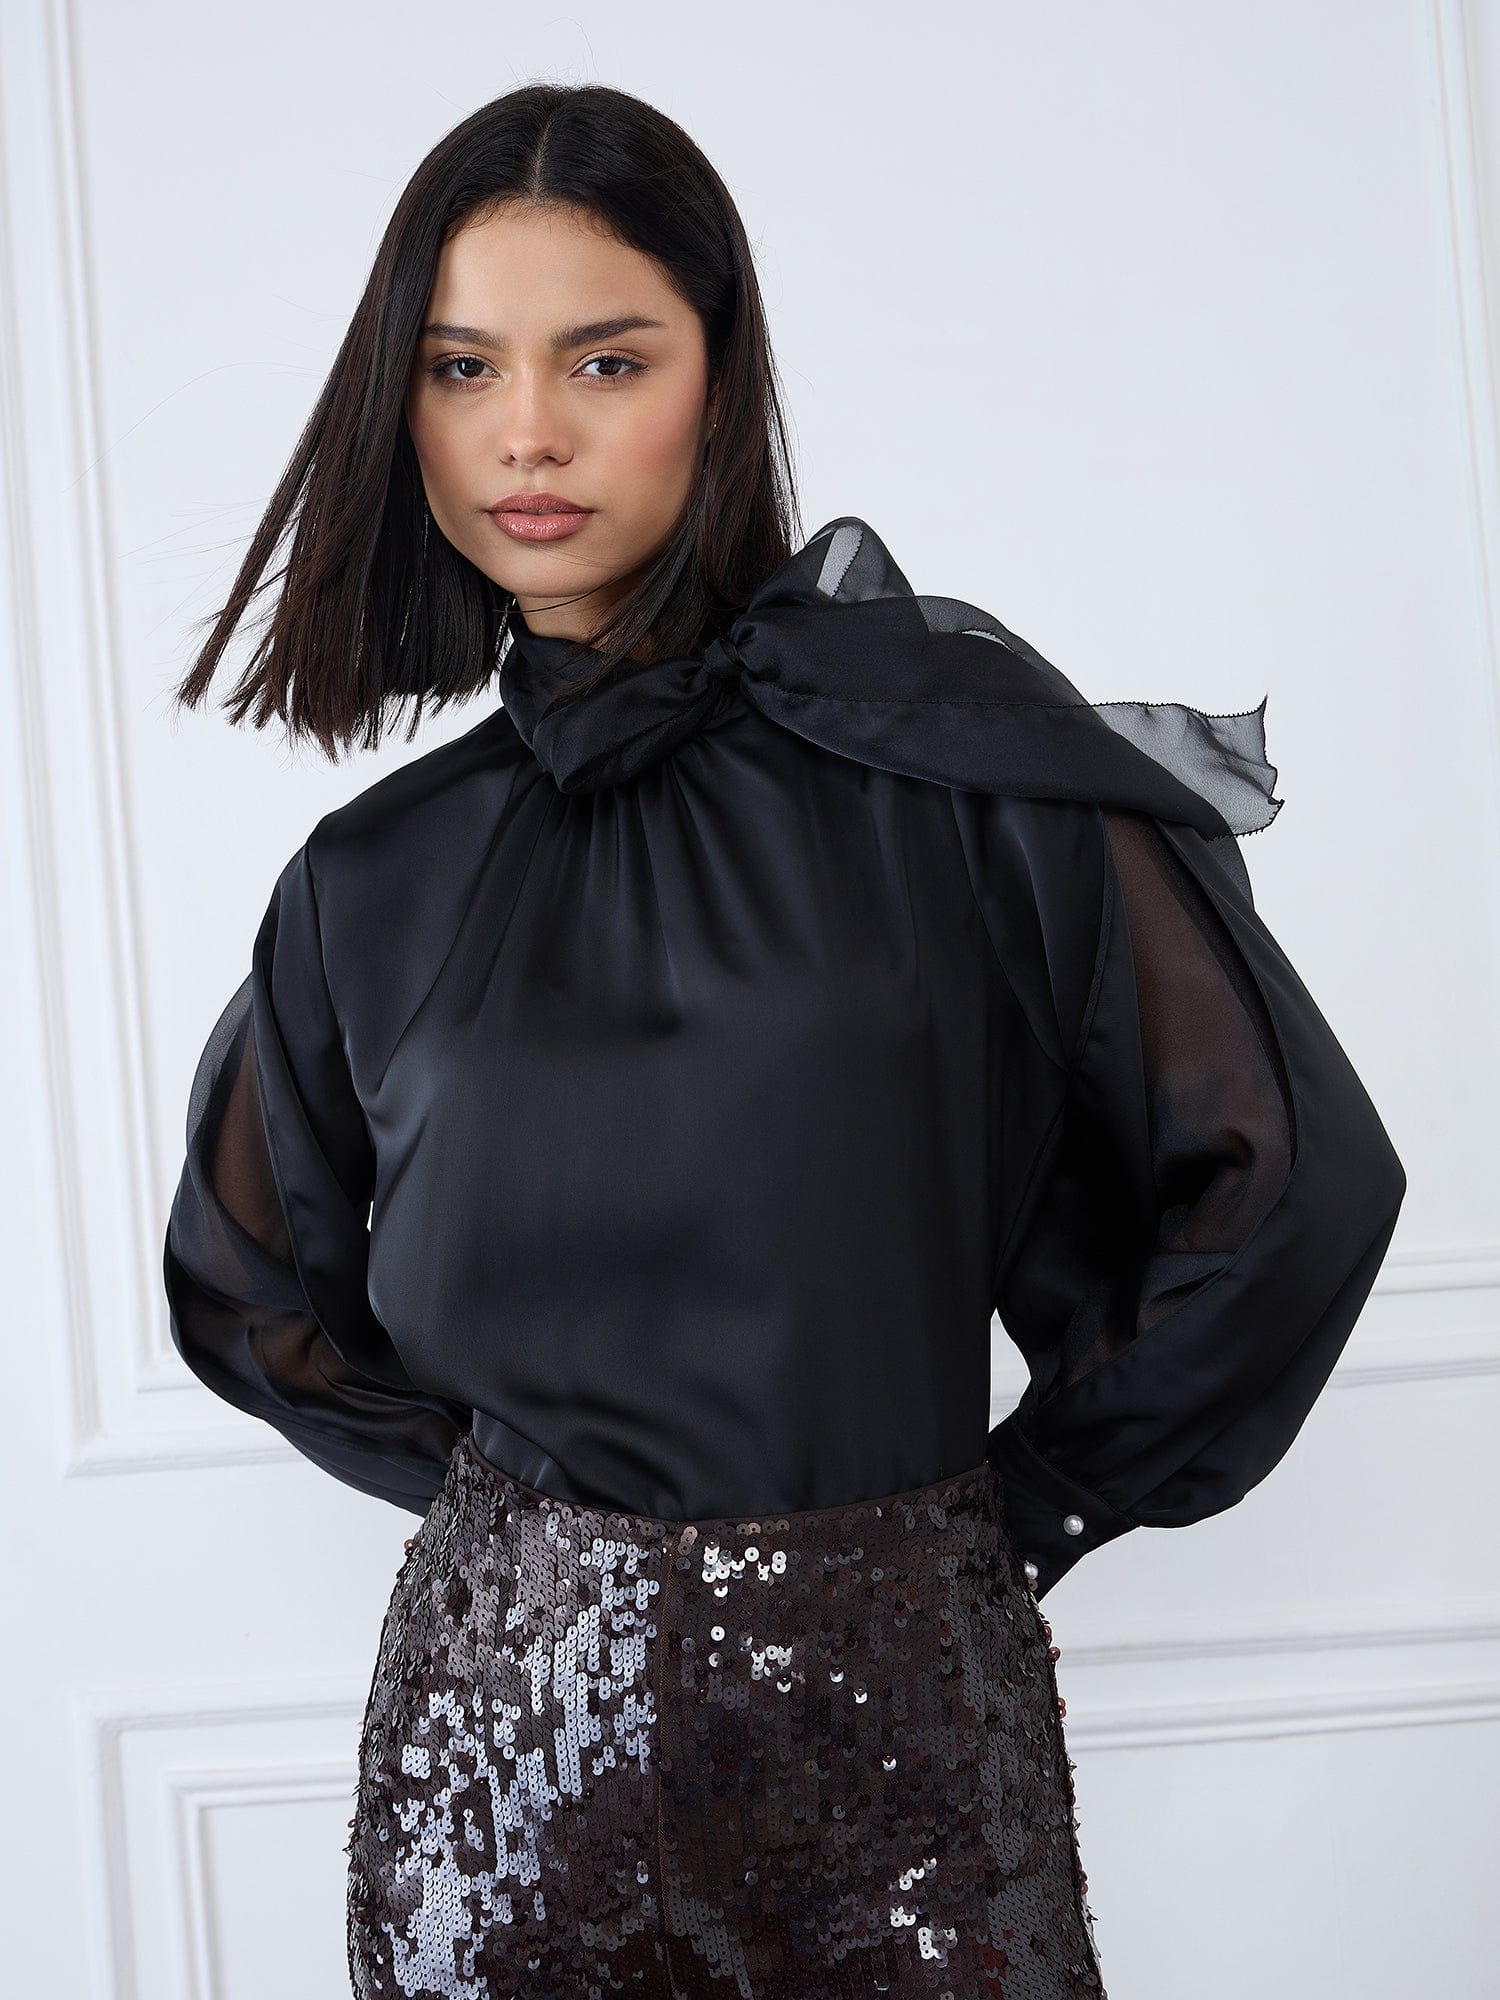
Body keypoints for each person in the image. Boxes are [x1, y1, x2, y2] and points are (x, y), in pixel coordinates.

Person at [161, 81, 1406, 2000]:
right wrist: (531, 1540)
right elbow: (253, 1291)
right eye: (463, 367)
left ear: (720, 377)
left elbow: (1289, 1184)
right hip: (501, 1778)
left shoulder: (962, 776)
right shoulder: (373, 877)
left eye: (604, 359)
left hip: (908, 1752)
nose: (527, 432)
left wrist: (1028, 1503)